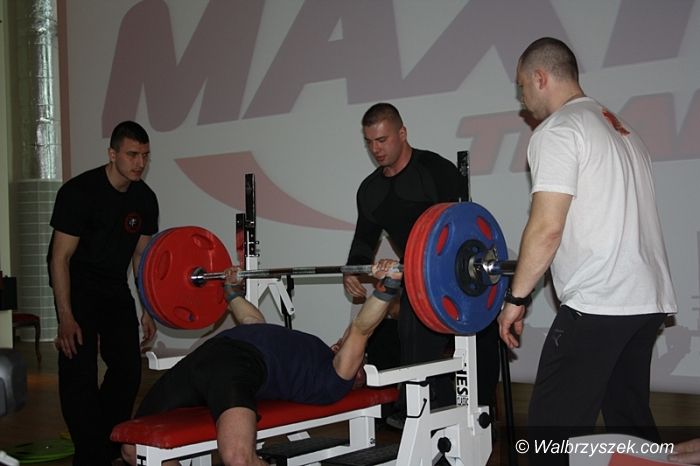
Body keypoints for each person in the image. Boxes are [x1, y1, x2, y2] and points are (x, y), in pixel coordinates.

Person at [497, 37, 677, 464]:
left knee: (549, 436)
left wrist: (516, 298)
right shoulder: (622, 130)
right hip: (646, 300)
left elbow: (547, 228)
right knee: (630, 429)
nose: (522, 99)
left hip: (600, 303)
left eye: (522, 86)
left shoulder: (558, 130)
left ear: (540, 78)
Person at [121, 259, 403, 466]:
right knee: (132, 448)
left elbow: (361, 329)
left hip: (236, 365)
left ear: (357, 374)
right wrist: (232, 292)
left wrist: (388, 286)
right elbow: (252, 322)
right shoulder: (310, 348)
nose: (342, 344)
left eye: (357, 358)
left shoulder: (336, 377)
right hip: (205, 357)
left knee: (238, 458)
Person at [344, 102, 500, 427]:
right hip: (419, 281)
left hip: (459, 275)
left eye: (382, 140)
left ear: (402, 133)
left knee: (481, 336)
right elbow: (364, 241)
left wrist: (406, 263)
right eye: (370, 142)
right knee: (413, 330)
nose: (376, 149)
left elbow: (461, 227)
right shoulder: (370, 190)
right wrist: (353, 270)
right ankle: (422, 418)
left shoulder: (435, 170)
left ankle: (481, 419)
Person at [48, 121, 159, 466]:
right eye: (132, 154)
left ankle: (103, 445)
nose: (140, 163)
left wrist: (148, 307)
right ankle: (91, 455)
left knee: (128, 370)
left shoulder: (145, 199)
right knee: (78, 373)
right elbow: (59, 258)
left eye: (145, 155)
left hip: (113, 288)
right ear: (112, 154)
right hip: (77, 287)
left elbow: (141, 258)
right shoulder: (78, 192)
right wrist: (66, 317)